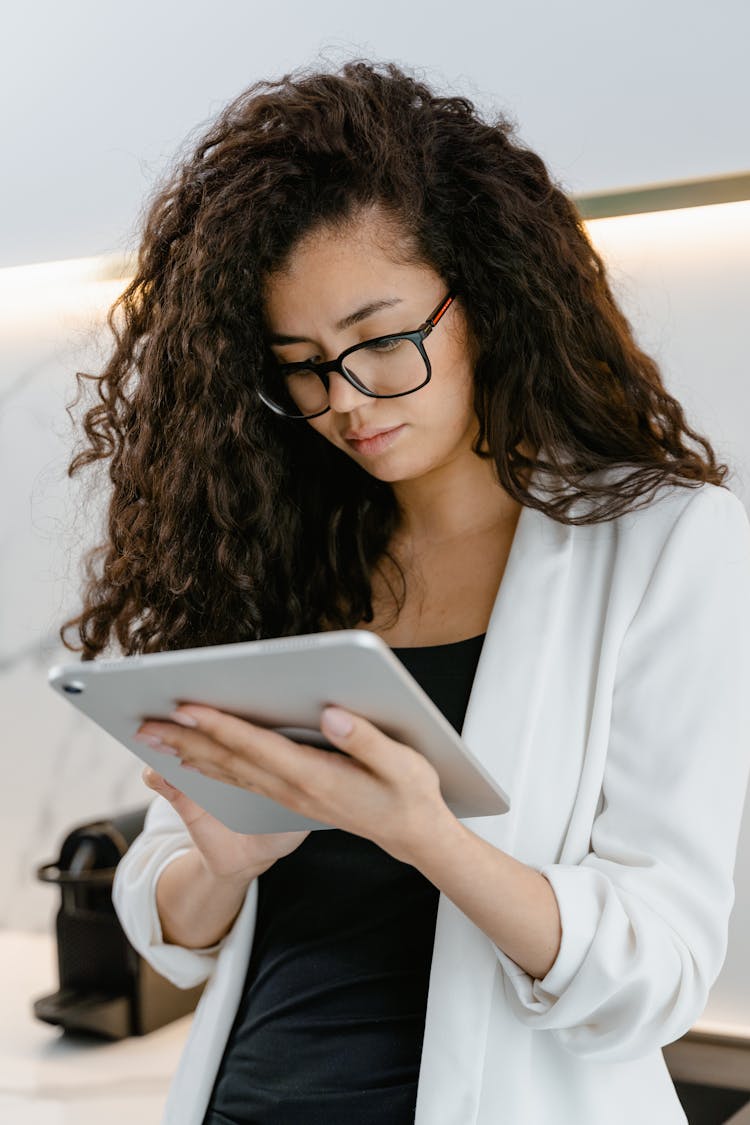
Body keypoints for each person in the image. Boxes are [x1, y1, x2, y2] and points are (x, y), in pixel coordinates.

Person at [60, 60, 750, 1125]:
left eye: (383, 342)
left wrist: (426, 835)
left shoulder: (662, 543)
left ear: (488, 291)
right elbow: (172, 924)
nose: (346, 400)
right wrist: (230, 863)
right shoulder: (284, 545)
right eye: (301, 364)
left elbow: (657, 970)